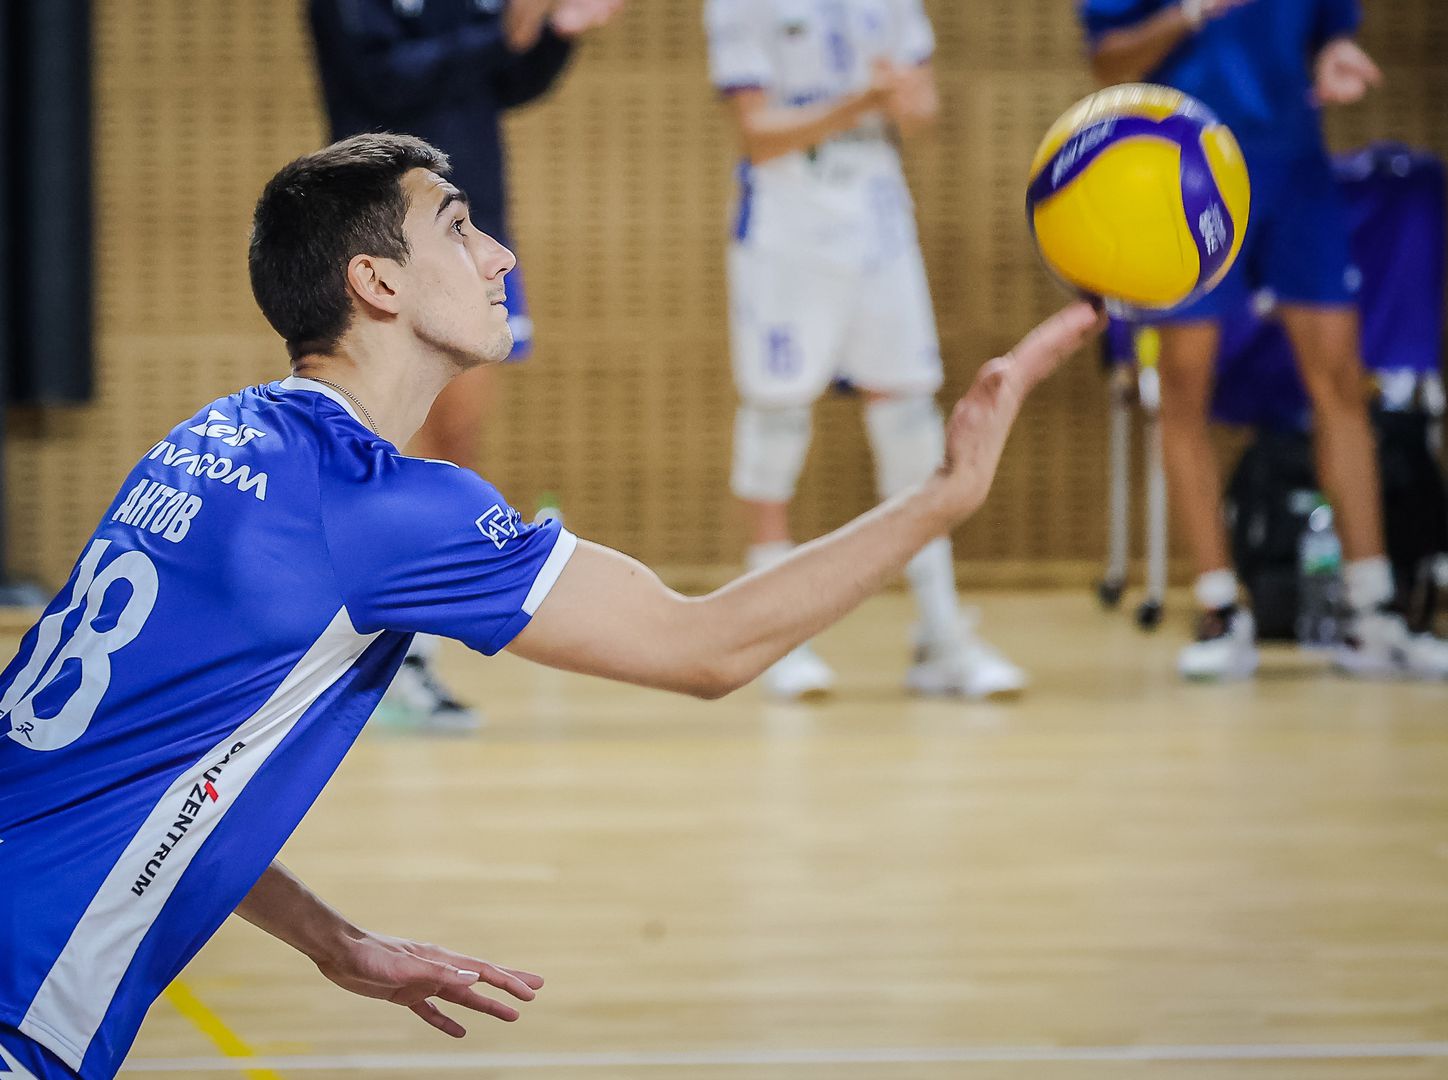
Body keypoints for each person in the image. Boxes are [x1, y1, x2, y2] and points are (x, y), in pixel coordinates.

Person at [0, 133, 1099, 1077]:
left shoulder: (213, 438)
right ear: (377, 284)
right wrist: (944, 496)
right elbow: (705, 647)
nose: (500, 256)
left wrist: (328, 939)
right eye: (460, 227)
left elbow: (151, 761)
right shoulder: (384, 508)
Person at [1078, 0, 1448, 681]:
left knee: (1340, 381)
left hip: (1296, 165)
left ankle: (1373, 614)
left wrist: (1333, 53)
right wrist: (1190, 12)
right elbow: (1106, 59)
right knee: (1185, 386)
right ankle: (1220, 608)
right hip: (1184, 171)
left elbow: (1328, 28)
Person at [309, 0, 623, 730]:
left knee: (454, 441)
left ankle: (408, 649)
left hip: (467, 227)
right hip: (382, 230)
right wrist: (500, 31)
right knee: (389, 442)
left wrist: (550, 36)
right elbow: (388, 82)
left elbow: (503, 82)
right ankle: (376, 655)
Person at [704, 0, 1028, 702]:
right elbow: (757, 132)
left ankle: (941, 634)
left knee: (911, 418)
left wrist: (905, 99)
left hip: (876, 209)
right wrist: (861, 101)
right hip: (788, 216)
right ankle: (774, 638)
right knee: (777, 421)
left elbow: (922, 112)